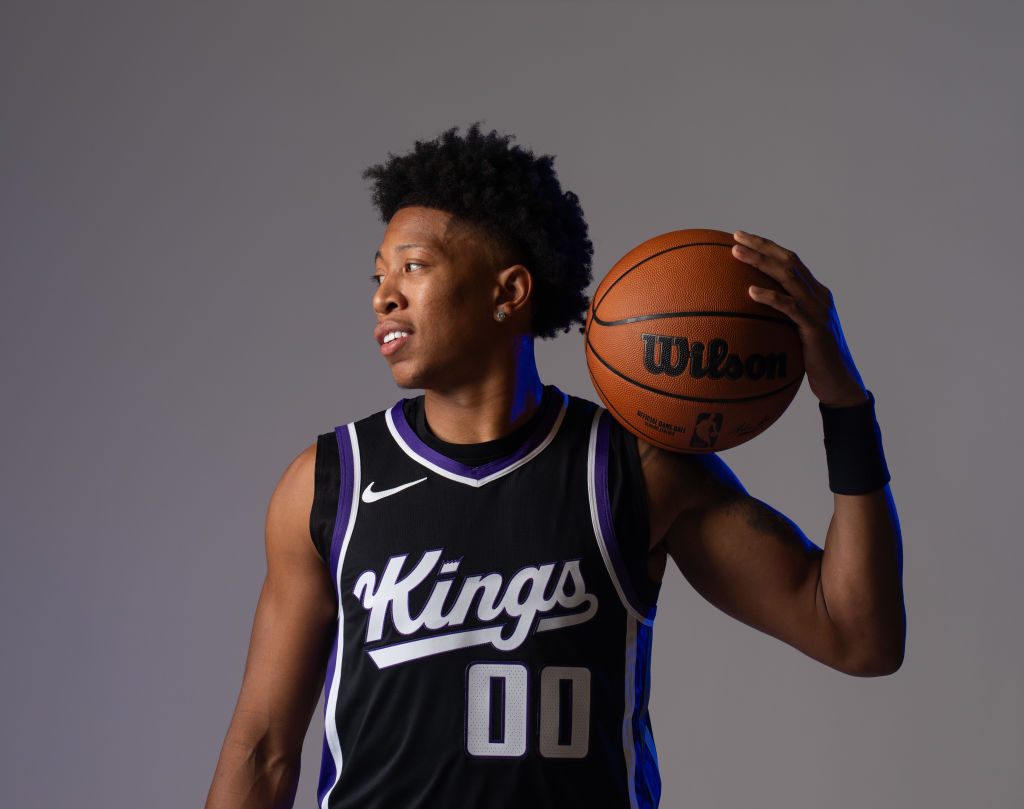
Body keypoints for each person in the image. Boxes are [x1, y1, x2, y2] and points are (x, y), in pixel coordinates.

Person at [205, 125, 905, 809]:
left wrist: (843, 402)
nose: (383, 294)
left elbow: (857, 634)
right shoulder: (329, 483)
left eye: (413, 266)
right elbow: (262, 749)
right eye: (380, 274)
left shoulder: (637, 468)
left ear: (508, 292)